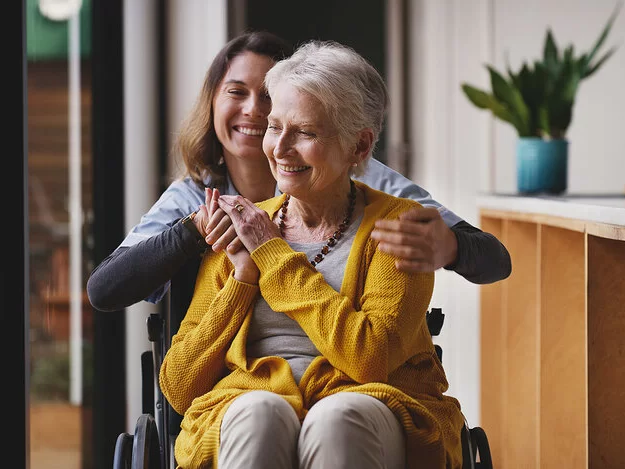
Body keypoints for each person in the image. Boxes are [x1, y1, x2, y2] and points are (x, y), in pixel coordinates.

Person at [159, 40, 464, 469]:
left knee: (338, 418)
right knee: (258, 414)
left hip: (370, 403)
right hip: (248, 404)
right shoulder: (243, 226)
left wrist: (272, 256)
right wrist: (243, 279)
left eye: (305, 133)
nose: (279, 149)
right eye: (274, 126)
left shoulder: (398, 226)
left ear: (359, 147)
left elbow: (369, 359)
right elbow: (179, 384)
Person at [86, 30, 510, 314]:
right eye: (237, 92)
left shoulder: (365, 179)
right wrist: (192, 231)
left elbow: (494, 259)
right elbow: (105, 290)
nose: (254, 109)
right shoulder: (195, 197)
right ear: (212, 101)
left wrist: (449, 247)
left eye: (270, 97)